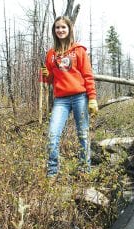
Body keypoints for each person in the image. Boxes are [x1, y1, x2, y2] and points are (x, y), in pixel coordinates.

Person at [41, 16, 98, 178]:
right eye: (57, 28)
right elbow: (50, 80)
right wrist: (47, 75)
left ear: (69, 29)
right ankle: (52, 173)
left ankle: (84, 171)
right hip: (61, 100)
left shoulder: (79, 50)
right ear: (54, 31)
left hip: (80, 96)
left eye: (63, 27)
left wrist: (92, 98)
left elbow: (87, 75)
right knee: (52, 135)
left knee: (83, 135)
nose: (60, 30)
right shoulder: (51, 54)